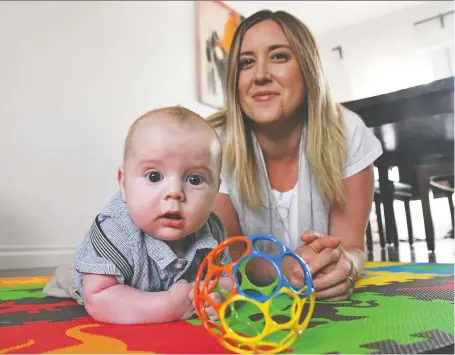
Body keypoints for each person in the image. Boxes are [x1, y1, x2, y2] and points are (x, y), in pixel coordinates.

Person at [207, 10, 383, 301]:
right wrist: (289, 268)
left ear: (307, 68)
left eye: (279, 56)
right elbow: (231, 253)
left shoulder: (347, 130)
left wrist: (345, 266)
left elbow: (352, 244)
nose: (261, 75)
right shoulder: (213, 144)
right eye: (246, 63)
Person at [43, 106, 230, 324]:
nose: (175, 192)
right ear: (123, 183)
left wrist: (218, 296)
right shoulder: (115, 230)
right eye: (153, 176)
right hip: (101, 273)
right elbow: (99, 298)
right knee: (74, 277)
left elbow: (227, 278)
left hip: (165, 285)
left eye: (195, 180)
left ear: (216, 189)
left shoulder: (213, 230)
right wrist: (167, 306)